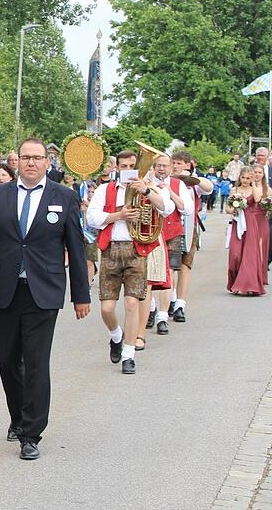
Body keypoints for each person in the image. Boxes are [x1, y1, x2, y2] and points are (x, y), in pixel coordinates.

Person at [0, 137, 90, 460]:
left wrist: (81, 295)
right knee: (8, 361)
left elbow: (77, 249)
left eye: (38, 158)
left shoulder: (63, 197)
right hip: (6, 290)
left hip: (44, 292)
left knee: (36, 362)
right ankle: (19, 416)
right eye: (26, 157)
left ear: (47, 162)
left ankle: (31, 432)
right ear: (17, 161)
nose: (32, 163)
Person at [86, 149, 175, 374]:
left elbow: (167, 208)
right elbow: (92, 218)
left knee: (132, 303)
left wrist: (146, 189)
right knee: (107, 308)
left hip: (137, 250)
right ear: (117, 168)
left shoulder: (148, 188)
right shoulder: (106, 190)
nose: (128, 171)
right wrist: (119, 216)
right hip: (111, 251)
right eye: (123, 167)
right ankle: (116, 335)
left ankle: (129, 355)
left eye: (132, 166)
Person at [139, 153, 192, 344]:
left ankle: (162, 315)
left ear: (171, 167)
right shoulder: (145, 181)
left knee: (169, 274)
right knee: (149, 276)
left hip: (172, 233)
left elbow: (187, 209)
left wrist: (171, 192)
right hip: (149, 234)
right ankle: (151, 308)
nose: (161, 169)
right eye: (158, 165)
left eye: (165, 165)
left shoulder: (179, 185)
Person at [169, 151, 214, 323]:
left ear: (188, 165)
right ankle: (171, 298)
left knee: (185, 265)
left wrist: (190, 177)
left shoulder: (193, 182)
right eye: (174, 163)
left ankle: (180, 304)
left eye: (179, 163)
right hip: (170, 226)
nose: (175, 166)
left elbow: (208, 188)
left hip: (189, 227)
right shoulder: (167, 181)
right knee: (170, 266)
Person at [227, 167, 270, 296]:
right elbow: (228, 207)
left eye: (248, 178)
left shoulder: (254, 189)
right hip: (238, 222)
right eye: (243, 178)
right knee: (235, 254)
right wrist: (233, 209)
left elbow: (257, 200)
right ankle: (235, 282)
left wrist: (255, 184)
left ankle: (249, 285)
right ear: (239, 177)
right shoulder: (234, 190)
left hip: (251, 222)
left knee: (249, 255)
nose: (245, 180)